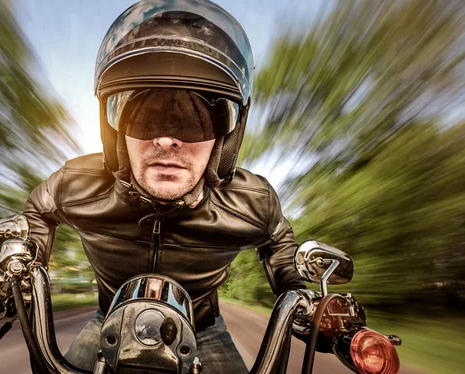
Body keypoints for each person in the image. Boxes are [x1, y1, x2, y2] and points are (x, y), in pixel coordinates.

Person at [22, 1, 305, 372]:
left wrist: (297, 293)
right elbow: (38, 209)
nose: (168, 140)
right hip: (108, 320)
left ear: (224, 137)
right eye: (147, 117)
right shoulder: (75, 183)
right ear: (116, 132)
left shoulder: (254, 202)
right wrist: (24, 267)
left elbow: (279, 240)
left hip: (204, 329)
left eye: (194, 121)